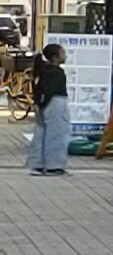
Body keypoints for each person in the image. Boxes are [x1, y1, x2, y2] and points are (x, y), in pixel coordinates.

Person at [23, 36, 70, 174]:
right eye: (62, 53)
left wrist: (40, 104)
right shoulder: (57, 72)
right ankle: (54, 165)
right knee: (57, 134)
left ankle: (37, 163)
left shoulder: (42, 71)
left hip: (43, 104)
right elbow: (51, 89)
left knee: (40, 133)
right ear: (55, 57)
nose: (65, 56)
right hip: (56, 103)